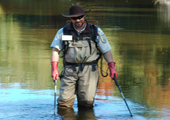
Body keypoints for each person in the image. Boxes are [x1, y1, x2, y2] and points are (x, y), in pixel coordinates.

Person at [50, 3, 118, 109]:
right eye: (74, 18)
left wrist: (112, 67)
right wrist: (54, 69)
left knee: (87, 102)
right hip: (69, 70)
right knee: (63, 103)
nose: (77, 20)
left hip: (90, 70)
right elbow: (55, 50)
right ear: (70, 18)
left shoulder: (95, 31)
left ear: (84, 16)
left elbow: (106, 51)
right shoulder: (63, 31)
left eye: (80, 17)